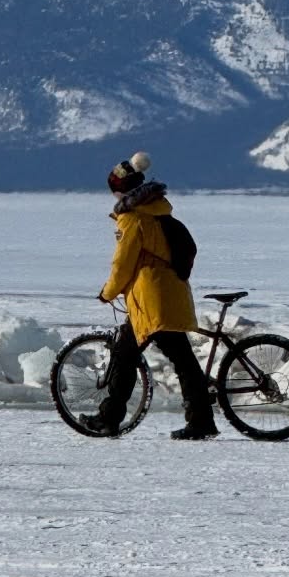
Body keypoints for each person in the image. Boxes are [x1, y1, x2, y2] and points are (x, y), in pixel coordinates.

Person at [80, 150, 218, 441]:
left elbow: (123, 263)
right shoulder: (157, 212)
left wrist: (108, 292)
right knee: (172, 358)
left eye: (115, 192)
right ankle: (199, 418)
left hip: (153, 298)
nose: (114, 199)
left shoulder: (133, 218)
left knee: (130, 354)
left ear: (122, 191)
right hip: (167, 293)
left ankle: (111, 418)